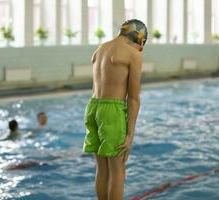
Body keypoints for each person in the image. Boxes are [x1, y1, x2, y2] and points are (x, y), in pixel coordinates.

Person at [82, 19, 147, 200]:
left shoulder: (100, 49)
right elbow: (133, 98)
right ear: (139, 40)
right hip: (112, 111)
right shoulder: (132, 54)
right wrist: (130, 135)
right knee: (118, 171)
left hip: (93, 108)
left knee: (102, 169)